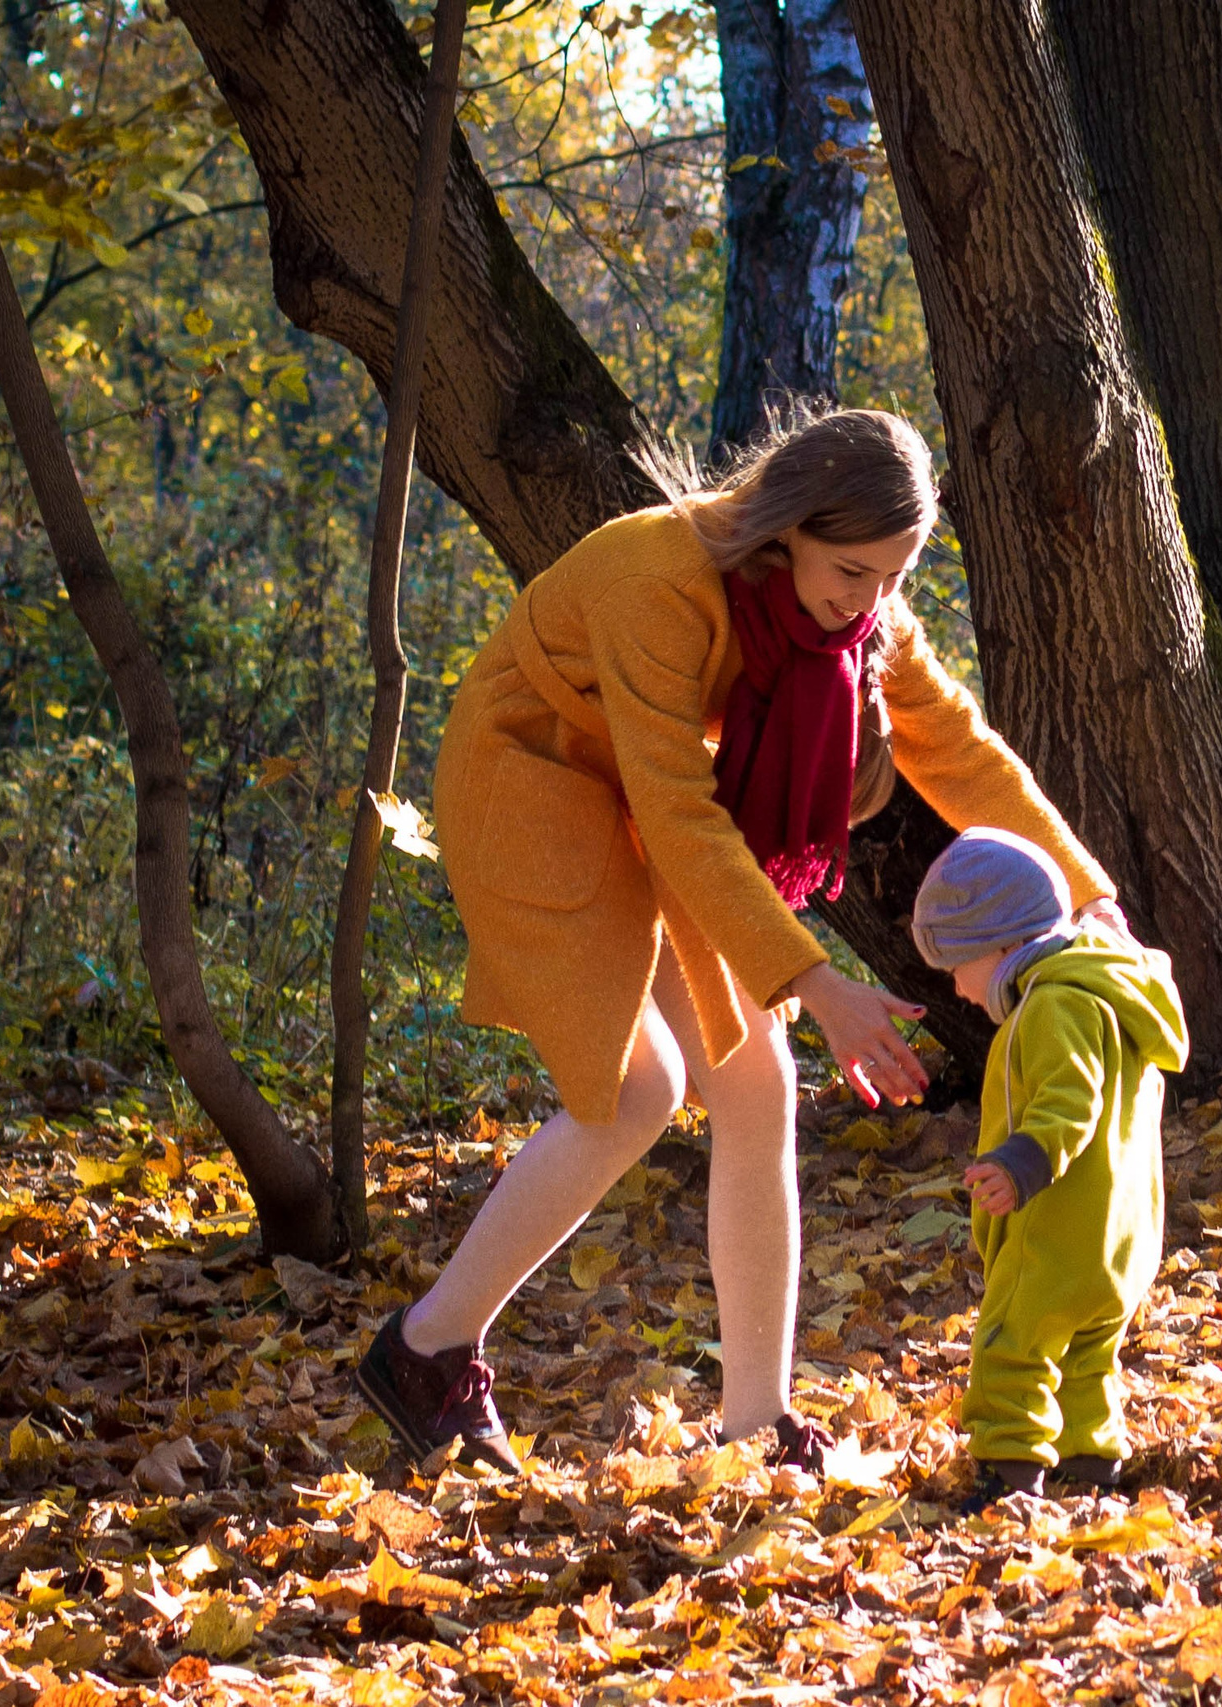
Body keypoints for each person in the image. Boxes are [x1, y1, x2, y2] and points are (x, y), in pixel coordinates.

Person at [353, 406, 1126, 1472]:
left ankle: (756, 1423)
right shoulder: (655, 579)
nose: (872, 603)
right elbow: (679, 814)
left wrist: (1089, 900)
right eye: (852, 571)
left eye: (893, 578)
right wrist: (818, 982)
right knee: (637, 1090)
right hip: (531, 782)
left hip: (643, 803)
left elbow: (962, 752)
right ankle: (425, 1347)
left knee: (754, 1082)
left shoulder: (857, 617)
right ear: (786, 529)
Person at [910, 828, 1186, 1506]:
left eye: (957, 964)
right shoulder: (1110, 995)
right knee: (1086, 1358)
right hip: (1119, 1238)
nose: (958, 987)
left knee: (1012, 1345)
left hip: (1057, 1231)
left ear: (1002, 945)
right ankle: (1088, 1461)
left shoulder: (1055, 1003)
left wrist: (1023, 1162)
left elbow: (1071, 1095)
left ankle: (1007, 1474)